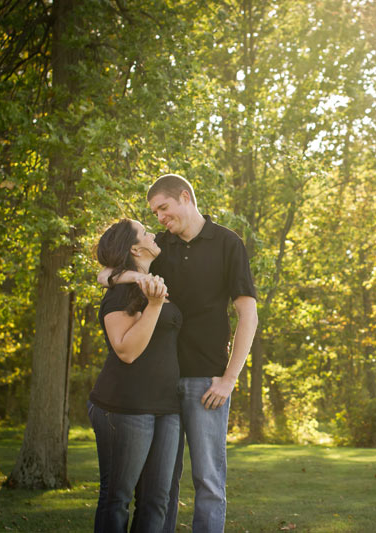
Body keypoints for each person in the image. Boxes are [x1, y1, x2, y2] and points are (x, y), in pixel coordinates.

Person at [99, 174, 258, 533]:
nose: (160, 218)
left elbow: (248, 315)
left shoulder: (227, 243)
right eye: (154, 213)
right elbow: (105, 273)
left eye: (164, 208)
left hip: (207, 381)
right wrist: (136, 279)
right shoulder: (161, 247)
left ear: (185, 197)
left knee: (209, 482)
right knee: (161, 487)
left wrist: (229, 379)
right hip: (160, 384)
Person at [89, 219, 182, 533]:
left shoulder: (147, 279)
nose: (153, 233)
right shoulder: (122, 293)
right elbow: (126, 351)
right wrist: (154, 306)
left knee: (157, 500)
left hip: (166, 407)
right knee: (117, 499)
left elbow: (105, 272)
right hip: (124, 407)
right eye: (145, 232)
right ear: (133, 247)